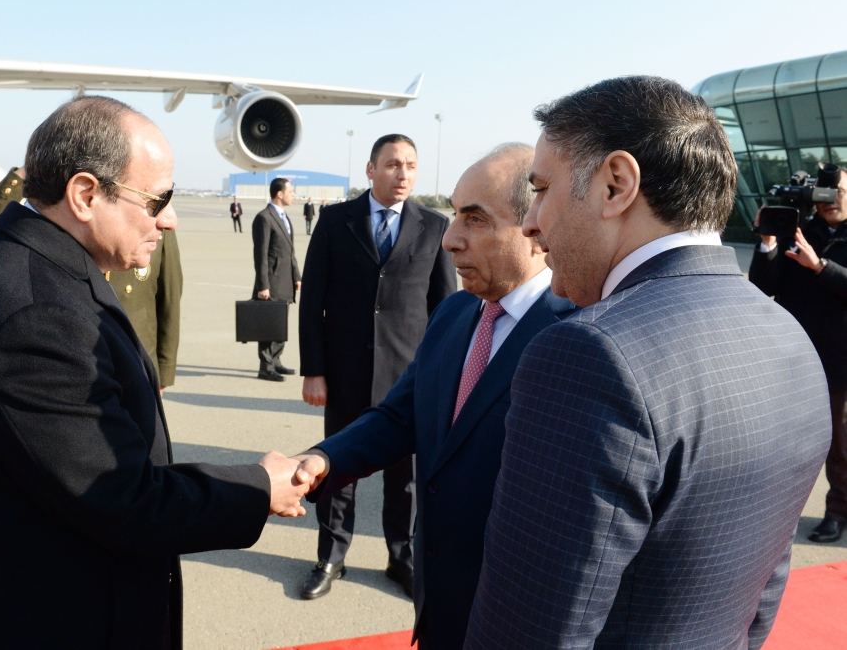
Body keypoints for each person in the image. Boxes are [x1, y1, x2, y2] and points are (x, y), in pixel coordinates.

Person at [0, 95, 309, 649]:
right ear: (84, 194)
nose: (169, 218)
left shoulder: (32, 267)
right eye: (156, 200)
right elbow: (122, 498)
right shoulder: (37, 315)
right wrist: (259, 486)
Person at [464, 76, 832, 649]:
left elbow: (529, 631)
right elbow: (760, 598)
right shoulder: (788, 335)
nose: (531, 221)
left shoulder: (587, 354)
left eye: (542, 188)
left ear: (616, 185)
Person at [294, 144, 573, 647]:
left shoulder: (575, 338)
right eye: (454, 215)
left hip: (508, 613)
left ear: (535, 228)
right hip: (436, 599)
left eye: (475, 220)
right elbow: (400, 416)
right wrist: (324, 459)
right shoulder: (454, 315)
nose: (450, 240)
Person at [297, 134, 456, 600]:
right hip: (345, 372)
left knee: (406, 478)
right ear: (370, 170)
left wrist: (440, 375)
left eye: (410, 165)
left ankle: (401, 557)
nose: (402, 174)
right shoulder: (335, 221)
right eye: (392, 164)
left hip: (409, 378)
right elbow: (313, 302)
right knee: (337, 467)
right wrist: (313, 370)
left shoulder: (434, 226)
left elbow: (445, 309)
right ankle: (331, 556)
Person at [0, 167, 185, 390]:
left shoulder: (154, 225)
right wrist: (24, 173)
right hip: (77, 361)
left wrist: (163, 370)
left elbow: (169, 295)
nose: (168, 220)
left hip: (137, 360)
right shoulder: (65, 215)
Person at [749, 166, 847, 544]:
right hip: (796, 355)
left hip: (839, 359)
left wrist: (819, 266)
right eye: (825, 191)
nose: (830, 198)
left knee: (840, 445)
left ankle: (837, 513)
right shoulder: (798, 230)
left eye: (838, 191)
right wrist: (768, 242)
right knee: (789, 443)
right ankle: (777, 517)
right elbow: (763, 285)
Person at [252, 177, 301, 381]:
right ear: (279, 194)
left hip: (285, 281)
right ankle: (265, 366)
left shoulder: (284, 217)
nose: (293, 194)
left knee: (280, 323)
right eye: (290, 191)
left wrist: (296, 276)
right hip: (271, 282)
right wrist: (263, 285)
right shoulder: (264, 218)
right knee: (268, 324)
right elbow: (260, 255)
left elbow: (289, 251)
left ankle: (276, 360)